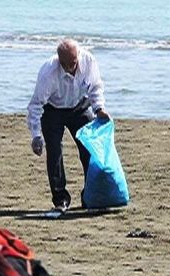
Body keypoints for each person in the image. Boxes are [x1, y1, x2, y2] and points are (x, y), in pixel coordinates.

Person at [27, 38, 111, 212]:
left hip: (80, 106)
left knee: (89, 150)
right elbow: (35, 105)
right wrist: (36, 135)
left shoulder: (88, 61)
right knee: (55, 152)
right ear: (60, 61)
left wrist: (99, 108)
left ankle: (90, 195)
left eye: (75, 62)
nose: (73, 67)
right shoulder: (48, 72)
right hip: (53, 110)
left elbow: (95, 87)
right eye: (68, 64)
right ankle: (60, 199)